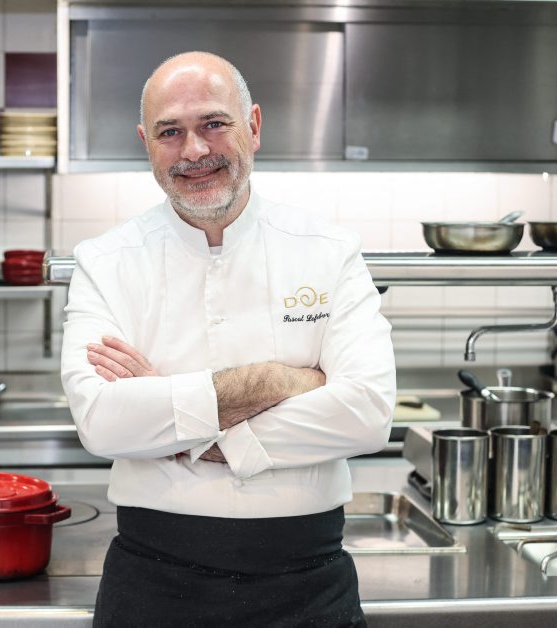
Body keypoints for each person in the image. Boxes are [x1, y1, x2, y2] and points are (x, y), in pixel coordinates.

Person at [60, 51, 396, 627]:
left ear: (254, 126)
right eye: (170, 132)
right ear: (146, 143)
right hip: (152, 584)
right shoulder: (105, 262)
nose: (194, 151)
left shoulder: (329, 250)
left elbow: (366, 414)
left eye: (214, 123)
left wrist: (172, 421)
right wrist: (277, 381)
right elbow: (102, 422)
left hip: (309, 585)